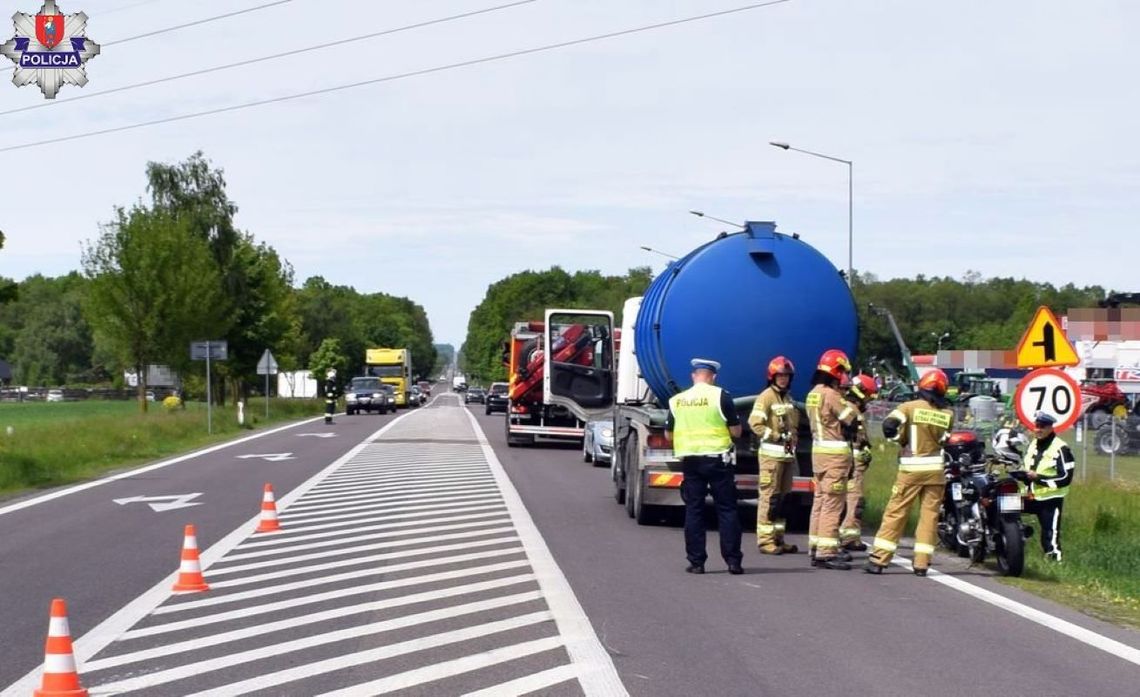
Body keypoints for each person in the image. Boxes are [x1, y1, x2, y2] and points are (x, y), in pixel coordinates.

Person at [864, 369, 954, 576]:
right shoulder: (947, 414)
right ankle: (922, 564)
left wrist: (898, 439)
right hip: (936, 471)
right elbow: (944, 440)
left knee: (896, 513)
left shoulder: (908, 407)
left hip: (911, 469)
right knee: (929, 517)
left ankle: (879, 559)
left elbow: (889, 425)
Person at [666, 358, 744, 575]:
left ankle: (697, 562)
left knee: (694, 510)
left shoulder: (677, 400)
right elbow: (736, 430)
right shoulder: (721, 396)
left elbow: (668, 434)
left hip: (691, 462)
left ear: (693, 376)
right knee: (727, 510)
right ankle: (733, 561)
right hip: (718, 460)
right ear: (713, 377)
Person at [806, 349, 858, 569]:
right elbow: (850, 420)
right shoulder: (831, 395)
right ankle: (826, 552)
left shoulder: (813, 393)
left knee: (819, 501)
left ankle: (816, 546)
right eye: (841, 372)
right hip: (835, 455)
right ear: (835, 371)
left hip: (818, 454)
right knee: (832, 504)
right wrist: (853, 403)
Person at [748, 356, 800, 555]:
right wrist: (776, 436)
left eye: (786, 376)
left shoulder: (787, 398)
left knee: (782, 500)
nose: (783, 379)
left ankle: (779, 539)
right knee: (769, 498)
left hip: (786, 457)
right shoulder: (766, 396)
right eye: (780, 376)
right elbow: (755, 424)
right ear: (772, 376)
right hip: (771, 457)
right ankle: (765, 541)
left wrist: (790, 451)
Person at [1019, 412, 1075, 561]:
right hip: (1030, 496)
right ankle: (1009, 541)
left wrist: (1039, 479)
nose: (1038, 429)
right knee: (1002, 505)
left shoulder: (1061, 448)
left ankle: (1054, 563)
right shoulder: (1033, 443)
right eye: (1036, 426)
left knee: (1050, 536)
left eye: (1042, 427)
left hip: (1050, 499)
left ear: (1050, 428)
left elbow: (1066, 478)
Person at [839, 374, 879, 552]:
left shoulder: (852, 408)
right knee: (854, 500)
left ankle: (851, 535)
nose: (869, 401)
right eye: (869, 396)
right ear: (861, 392)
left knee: (854, 499)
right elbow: (849, 435)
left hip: (856, 463)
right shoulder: (849, 409)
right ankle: (848, 537)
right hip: (852, 464)